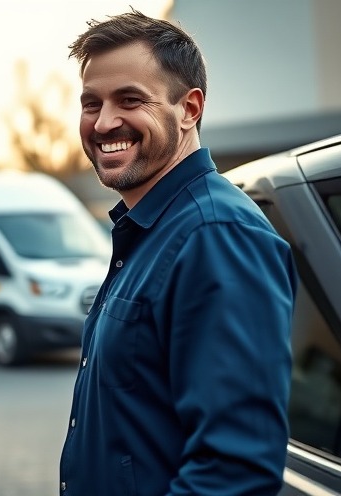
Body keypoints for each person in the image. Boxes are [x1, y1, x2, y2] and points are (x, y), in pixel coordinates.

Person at [59, 10, 297, 496]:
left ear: (189, 109)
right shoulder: (151, 231)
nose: (104, 123)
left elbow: (235, 472)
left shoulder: (216, 235)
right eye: (91, 103)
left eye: (130, 100)